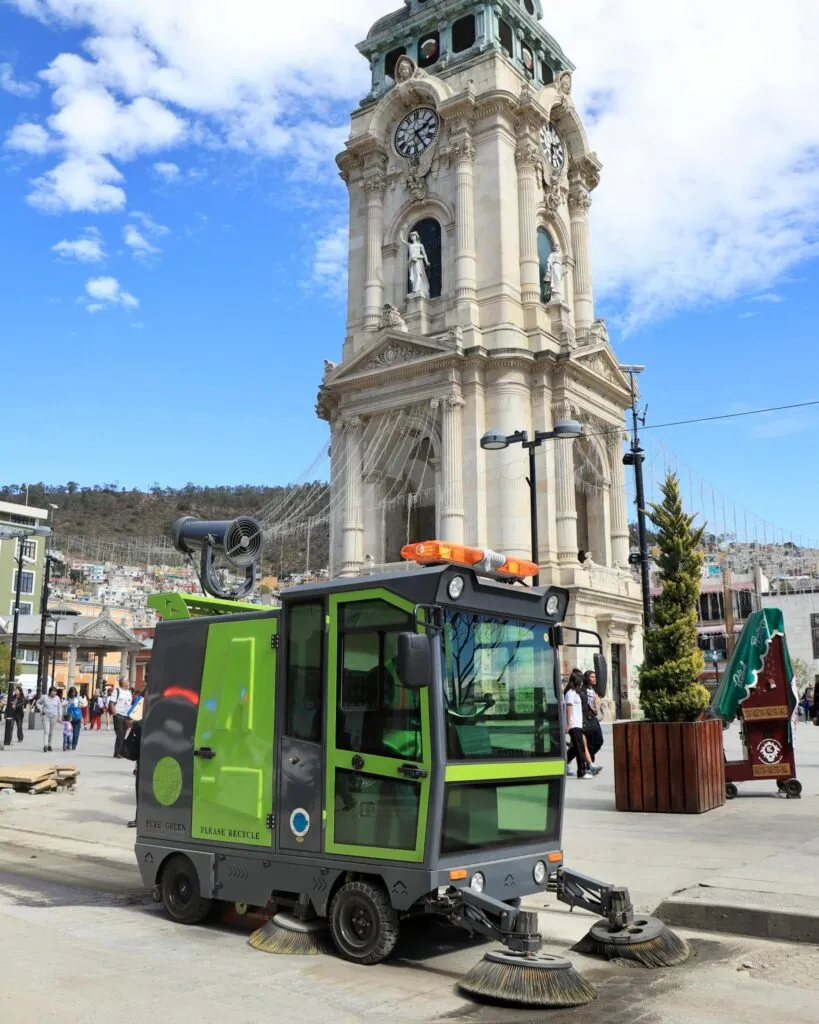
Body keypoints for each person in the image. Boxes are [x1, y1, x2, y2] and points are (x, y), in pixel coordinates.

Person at [126, 686, 146, 828]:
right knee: (140, 785)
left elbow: (153, 719)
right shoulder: (147, 693)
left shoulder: (158, 694)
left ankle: (143, 819)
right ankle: (140, 818)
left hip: (150, 747)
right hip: (143, 746)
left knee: (143, 785)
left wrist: (135, 723)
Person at [564, 671, 590, 779]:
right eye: (581, 680)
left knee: (576, 748)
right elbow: (568, 708)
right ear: (577, 680)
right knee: (580, 748)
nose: (582, 682)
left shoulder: (575, 692)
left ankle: (564, 762)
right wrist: (569, 724)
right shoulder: (570, 693)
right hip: (573, 725)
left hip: (577, 724)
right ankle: (581, 771)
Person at [582, 670, 604, 776]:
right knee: (590, 744)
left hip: (594, 719)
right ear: (586, 678)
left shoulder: (593, 689)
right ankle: (590, 765)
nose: (594, 679)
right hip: (587, 720)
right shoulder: (583, 690)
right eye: (592, 677)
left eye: (595, 677)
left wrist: (597, 705)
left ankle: (588, 760)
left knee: (599, 741)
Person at [400, 230, 431, 298]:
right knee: (413, 277)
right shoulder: (410, 245)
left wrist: (426, 261)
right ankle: (415, 290)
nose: (412, 237)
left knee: (418, 274)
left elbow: (424, 254)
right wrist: (401, 230)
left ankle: (417, 289)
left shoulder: (420, 245)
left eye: (413, 236)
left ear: (416, 237)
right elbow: (402, 240)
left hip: (418, 260)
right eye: (411, 236)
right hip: (412, 262)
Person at [37, 687, 62, 752]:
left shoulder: (57, 698)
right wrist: (41, 709)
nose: (54, 693)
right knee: (46, 731)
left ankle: (49, 745)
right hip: (46, 716)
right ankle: (45, 745)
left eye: (55, 691)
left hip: (54, 717)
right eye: (53, 691)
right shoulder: (44, 697)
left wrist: (60, 716)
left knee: (51, 731)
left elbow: (59, 707)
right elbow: (37, 702)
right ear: (50, 692)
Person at [112, 678, 133, 758]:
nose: (128, 682)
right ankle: (117, 753)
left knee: (123, 734)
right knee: (120, 734)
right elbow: (111, 703)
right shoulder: (117, 691)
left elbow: (130, 704)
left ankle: (120, 751)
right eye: (127, 681)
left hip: (126, 716)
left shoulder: (129, 692)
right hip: (119, 715)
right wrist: (115, 714)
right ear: (122, 683)